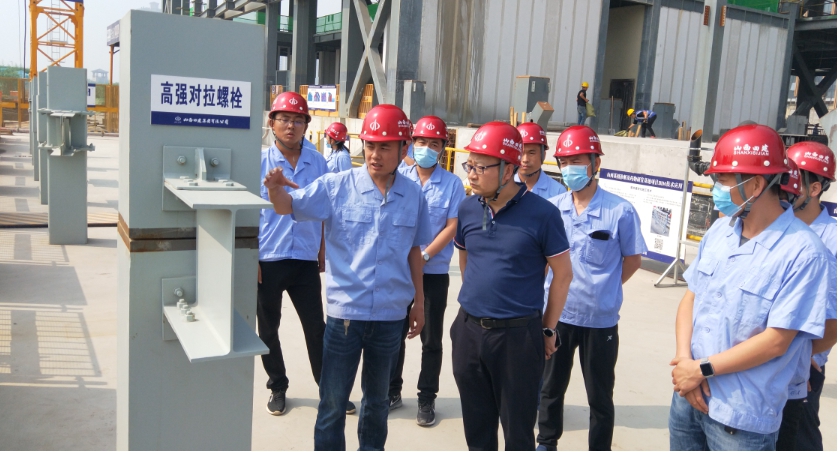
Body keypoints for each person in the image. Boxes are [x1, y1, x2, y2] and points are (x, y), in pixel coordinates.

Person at [263, 104, 433, 450]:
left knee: (377, 404)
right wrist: (275, 190)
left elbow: (414, 251)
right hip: (345, 318)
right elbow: (286, 206)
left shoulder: (413, 195)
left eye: (384, 147)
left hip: (390, 317)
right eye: (370, 145)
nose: (374, 154)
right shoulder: (336, 187)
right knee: (332, 403)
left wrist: (419, 302)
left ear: (403, 148)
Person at [668, 124, 830, 451]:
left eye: (724, 180)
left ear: (755, 185)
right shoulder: (720, 232)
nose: (717, 188)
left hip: (741, 417)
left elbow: (776, 341)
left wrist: (702, 369)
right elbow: (690, 299)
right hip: (688, 396)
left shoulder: (803, 252)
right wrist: (685, 363)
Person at [452, 121, 574, 450]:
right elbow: (466, 260)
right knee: (477, 431)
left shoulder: (543, 214)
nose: (472, 174)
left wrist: (547, 329)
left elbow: (563, 275)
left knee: (518, 434)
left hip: (517, 339)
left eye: (481, 167)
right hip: (468, 332)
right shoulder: (467, 208)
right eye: (469, 165)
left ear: (508, 170)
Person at [536, 125, 647, 451]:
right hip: (558, 316)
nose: (570, 168)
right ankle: (546, 442)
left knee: (600, 395)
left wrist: (606, 288)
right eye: (565, 162)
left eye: (577, 161)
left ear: (595, 163)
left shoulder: (620, 211)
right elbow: (543, 262)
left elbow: (632, 260)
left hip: (600, 321)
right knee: (551, 388)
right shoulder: (552, 209)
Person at [258, 92, 353, 416]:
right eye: (284, 119)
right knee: (268, 329)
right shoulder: (259, 163)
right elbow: (247, 214)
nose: (291, 126)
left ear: (306, 126)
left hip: (304, 259)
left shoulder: (318, 163)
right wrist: (250, 257)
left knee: (317, 329)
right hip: (268, 258)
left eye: (298, 120)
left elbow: (326, 209)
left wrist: (323, 249)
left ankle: (329, 390)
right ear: (272, 123)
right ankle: (278, 385)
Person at [389, 115, 467, 426]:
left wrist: (424, 255)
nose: (426, 148)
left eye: (434, 144)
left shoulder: (452, 184)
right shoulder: (399, 176)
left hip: (432, 273)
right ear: (412, 143)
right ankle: (392, 390)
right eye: (421, 142)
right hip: (399, 270)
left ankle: (426, 397)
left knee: (431, 339)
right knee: (393, 334)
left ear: (443, 148)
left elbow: (452, 226)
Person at [776, 141, 837, 451]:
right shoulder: (776, 227)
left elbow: (832, 320)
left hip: (805, 366)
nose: (785, 185)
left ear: (814, 189)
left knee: (799, 440)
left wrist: (805, 358)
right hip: (765, 360)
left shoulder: (832, 241)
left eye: (794, 179)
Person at [515, 121, 567, 199]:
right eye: (521, 153)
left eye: (531, 153)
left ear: (543, 155)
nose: (525, 160)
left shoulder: (558, 192)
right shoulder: (503, 188)